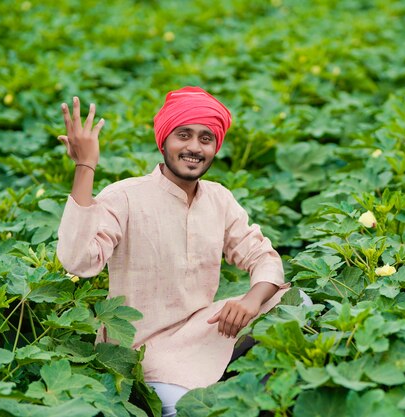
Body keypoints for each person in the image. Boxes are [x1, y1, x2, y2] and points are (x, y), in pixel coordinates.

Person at [56, 86, 290, 417]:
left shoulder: (219, 198)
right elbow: (78, 261)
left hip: (201, 329)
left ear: (215, 148)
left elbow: (262, 256)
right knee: (188, 411)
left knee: (293, 304)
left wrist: (251, 300)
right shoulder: (125, 196)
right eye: (184, 135)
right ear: (163, 140)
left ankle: (245, 392)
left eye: (206, 139)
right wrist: (85, 166)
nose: (195, 147)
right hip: (141, 350)